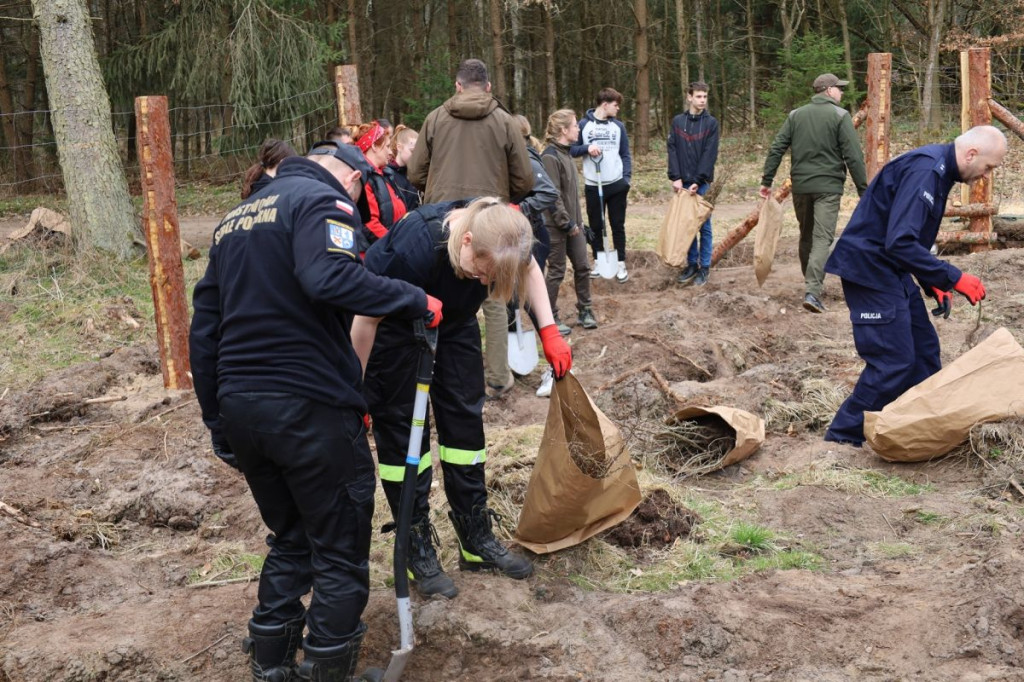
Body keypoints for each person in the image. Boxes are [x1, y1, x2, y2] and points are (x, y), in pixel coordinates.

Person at [189, 139, 442, 682]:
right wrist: (415, 299)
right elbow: (328, 278)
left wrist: (217, 418)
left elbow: (204, 330)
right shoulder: (323, 203)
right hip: (308, 406)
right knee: (340, 549)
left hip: (244, 406)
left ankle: (272, 666)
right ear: (351, 178)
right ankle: (328, 672)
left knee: (293, 539)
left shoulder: (234, 220)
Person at [352, 197, 572, 600]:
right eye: (480, 272)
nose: (480, 281)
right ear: (465, 242)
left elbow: (528, 266)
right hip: (394, 331)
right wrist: (356, 391)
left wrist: (549, 330)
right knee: (404, 440)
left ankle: (475, 539)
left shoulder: (502, 232)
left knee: (466, 431)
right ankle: (415, 547)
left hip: (454, 327)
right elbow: (365, 316)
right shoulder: (415, 246)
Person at [822, 125, 1007, 447]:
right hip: (870, 270)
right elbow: (900, 242)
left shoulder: (939, 171)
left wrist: (931, 280)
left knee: (923, 354)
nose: (986, 175)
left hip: (890, 269)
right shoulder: (926, 170)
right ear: (972, 154)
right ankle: (840, 440)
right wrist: (953, 277)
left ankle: (914, 429)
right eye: (989, 167)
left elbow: (907, 241)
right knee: (893, 361)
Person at [407, 58, 534, 399]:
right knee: (493, 297)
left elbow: (415, 173)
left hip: (442, 221)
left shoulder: (435, 118)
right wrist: (501, 198)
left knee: (436, 297)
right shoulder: (504, 120)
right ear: (488, 87)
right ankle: (496, 377)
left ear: (458, 86)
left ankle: (432, 373)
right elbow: (524, 178)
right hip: (490, 218)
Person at [760, 73, 868, 313]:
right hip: (828, 188)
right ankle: (812, 291)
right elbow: (854, 157)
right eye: (839, 88)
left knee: (806, 235)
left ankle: (811, 283)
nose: (841, 92)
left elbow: (777, 146)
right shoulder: (841, 117)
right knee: (822, 238)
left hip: (801, 187)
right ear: (828, 90)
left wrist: (766, 180)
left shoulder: (795, 115)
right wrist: (864, 190)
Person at [540, 109, 598, 393]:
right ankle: (549, 317)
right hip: (557, 227)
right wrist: (566, 223)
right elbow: (552, 195)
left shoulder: (566, 153)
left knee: (583, 266)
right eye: (576, 126)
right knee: (557, 271)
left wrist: (579, 223)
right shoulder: (550, 156)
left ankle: (585, 310)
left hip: (575, 223)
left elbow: (571, 194)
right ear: (564, 129)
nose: (579, 129)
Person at [572, 87, 632, 283]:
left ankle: (620, 263)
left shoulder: (618, 127)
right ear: (604, 105)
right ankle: (599, 260)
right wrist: (587, 148)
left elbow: (625, 154)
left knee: (617, 225)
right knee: (597, 225)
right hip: (593, 184)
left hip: (616, 184)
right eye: (615, 105)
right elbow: (573, 149)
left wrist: (626, 179)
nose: (618, 109)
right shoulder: (584, 125)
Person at [668, 81, 720, 287]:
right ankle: (691, 264)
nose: (702, 100)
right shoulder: (678, 122)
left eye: (705, 97)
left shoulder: (711, 123)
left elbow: (710, 153)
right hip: (682, 181)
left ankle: (704, 267)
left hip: (701, 182)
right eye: (699, 96)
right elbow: (672, 149)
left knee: (703, 226)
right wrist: (675, 177)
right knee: (686, 225)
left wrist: (699, 180)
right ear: (689, 97)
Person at [352, 120, 407, 248]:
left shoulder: (383, 174)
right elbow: (370, 224)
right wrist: (394, 245)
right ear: (374, 147)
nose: (390, 152)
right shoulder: (363, 178)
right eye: (387, 146)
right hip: (376, 253)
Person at [386, 124, 420, 211]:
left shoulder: (414, 174)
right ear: (399, 147)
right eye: (412, 151)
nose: (415, 156)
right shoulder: (387, 175)